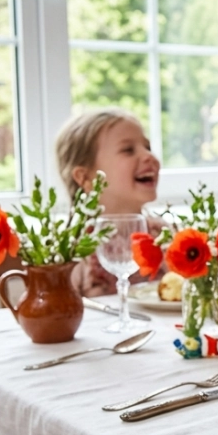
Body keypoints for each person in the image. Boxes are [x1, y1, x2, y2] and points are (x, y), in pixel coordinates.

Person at [55, 108, 164, 296]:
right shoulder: (73, 250)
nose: (149, 156)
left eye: (147, 147)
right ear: (85, 177)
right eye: (128, 150)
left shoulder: (163, 235)